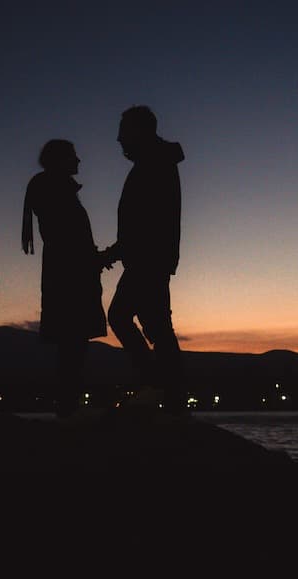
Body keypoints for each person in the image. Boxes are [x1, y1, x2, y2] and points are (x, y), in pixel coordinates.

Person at [101, 105, 186, 409]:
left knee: (122, 317)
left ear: (139, 131)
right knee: (158, 325)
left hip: (148, 259)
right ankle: (168, 396)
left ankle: (157, 387)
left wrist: (115, 252)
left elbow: (146, 221)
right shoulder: (155, 162)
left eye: (124, 132)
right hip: (151, 257)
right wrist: (117, 251)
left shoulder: (153, 164)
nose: (119, 140)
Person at [22, 139, 109, 417]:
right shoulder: (57, 192)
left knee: (71, 345)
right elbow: (70, 240)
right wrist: (96, 259)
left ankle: (67, 409)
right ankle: (68, 411)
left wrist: (95, 259)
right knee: (73, 343)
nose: (79, 160)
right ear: (60, 160)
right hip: (72, 278)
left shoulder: (51, 190)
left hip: (66, 274)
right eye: (73, 155)